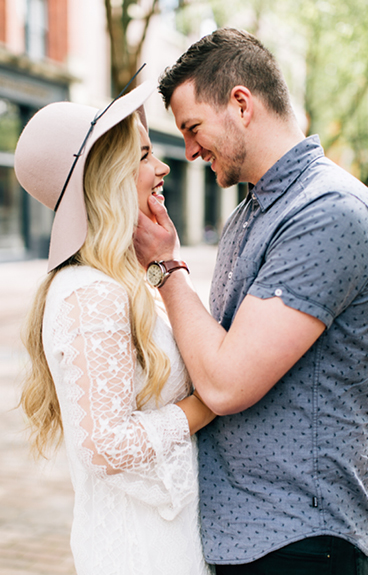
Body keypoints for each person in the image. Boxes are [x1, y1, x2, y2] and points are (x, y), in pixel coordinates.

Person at [133, 28, 368, 573]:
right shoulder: (249, 213)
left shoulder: (328, 212)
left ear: (241, 104)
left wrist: (165, 268)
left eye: (192, 129)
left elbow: (227, 382)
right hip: (246, 538)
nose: (188, 151)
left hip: (301, 542)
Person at [14, 79, 216, 575]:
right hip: (141, 553)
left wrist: (162, 264)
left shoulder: (111, 282)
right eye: (145, 154)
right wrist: (210, 402)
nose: (163, 166)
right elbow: (106, 443)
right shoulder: (90, 294)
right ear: (109, 175)